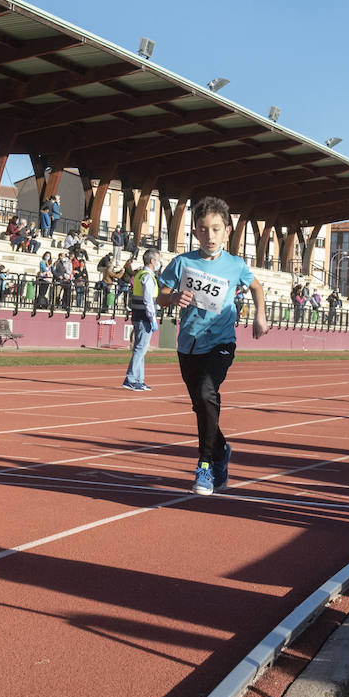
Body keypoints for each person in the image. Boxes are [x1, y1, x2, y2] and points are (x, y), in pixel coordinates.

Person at [156, 197, 269, 493]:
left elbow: (256, 286)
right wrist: (172, 298)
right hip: (188, 345)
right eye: (204, 230)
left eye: (216, 229)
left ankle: (205, 465)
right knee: (201, 406)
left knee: (207, 393)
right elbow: (161, 295)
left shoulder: (235, 265)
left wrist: (260, 315)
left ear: (227, 230)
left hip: (220, 342)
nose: (210, 236)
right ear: (195, 232)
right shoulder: (183, 262)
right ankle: (221, 451)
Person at [123, 248, 161, 391]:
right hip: (144, 316)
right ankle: (131, 378)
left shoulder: (140, 274)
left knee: (141, 348)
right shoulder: (148, 276)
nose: (159, 263)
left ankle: (139, 379)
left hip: (138, 315)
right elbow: (148, 300)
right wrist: (152, 318)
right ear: (152, 261)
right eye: (158, 260)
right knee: (140, 349)